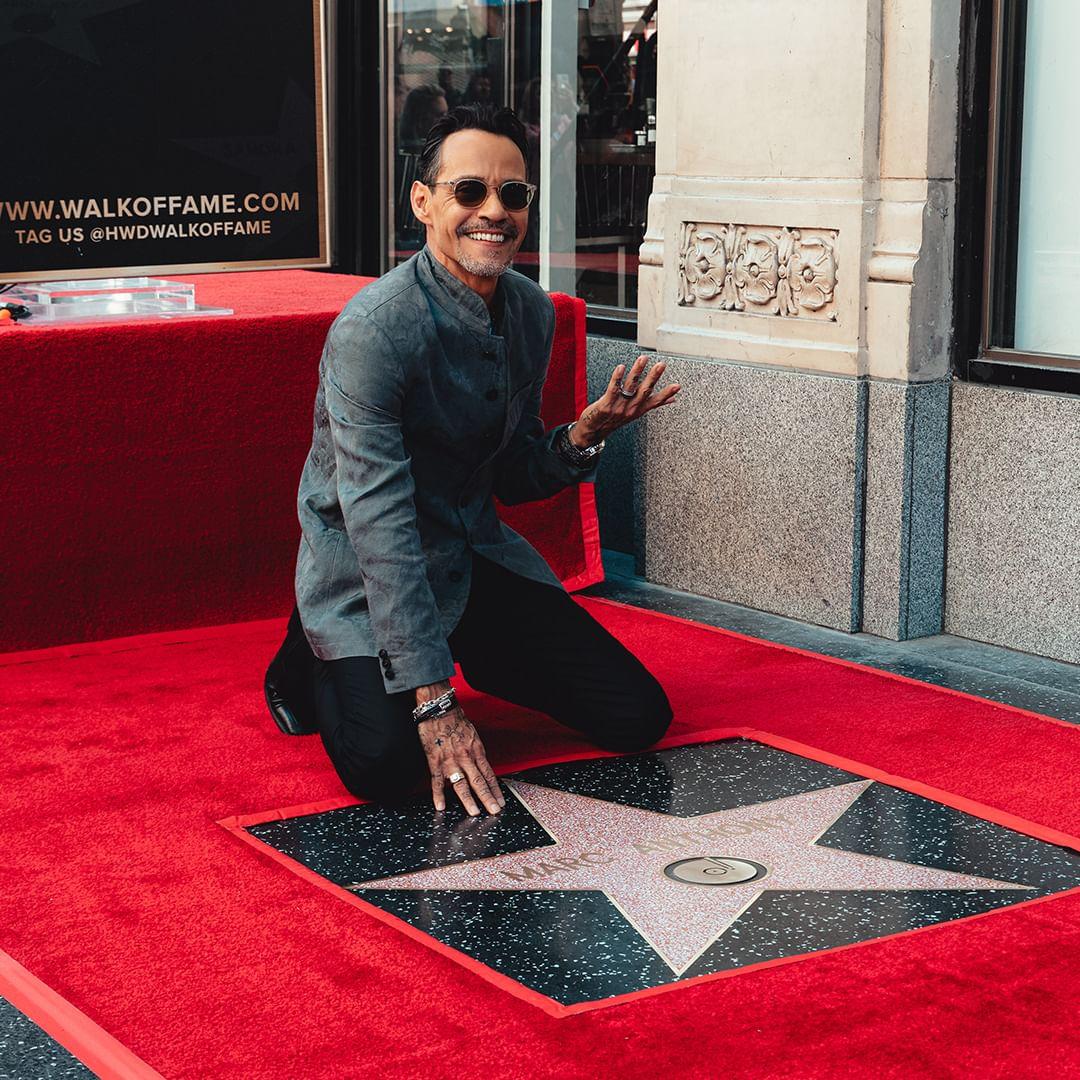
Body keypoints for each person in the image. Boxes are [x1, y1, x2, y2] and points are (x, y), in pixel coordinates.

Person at [264, 103, 681, 817]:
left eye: (512, 194)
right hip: (369, 574)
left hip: (470, 558)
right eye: (469, 191)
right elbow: (380, 525)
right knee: (386, 763)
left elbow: (512, 476)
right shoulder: (372, 331)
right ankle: (310, 646)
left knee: (636, 717)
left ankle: (467, 649)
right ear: (423, 202)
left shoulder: (530, 313)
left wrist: (582, 435)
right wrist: (434, 704)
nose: (494, 211)